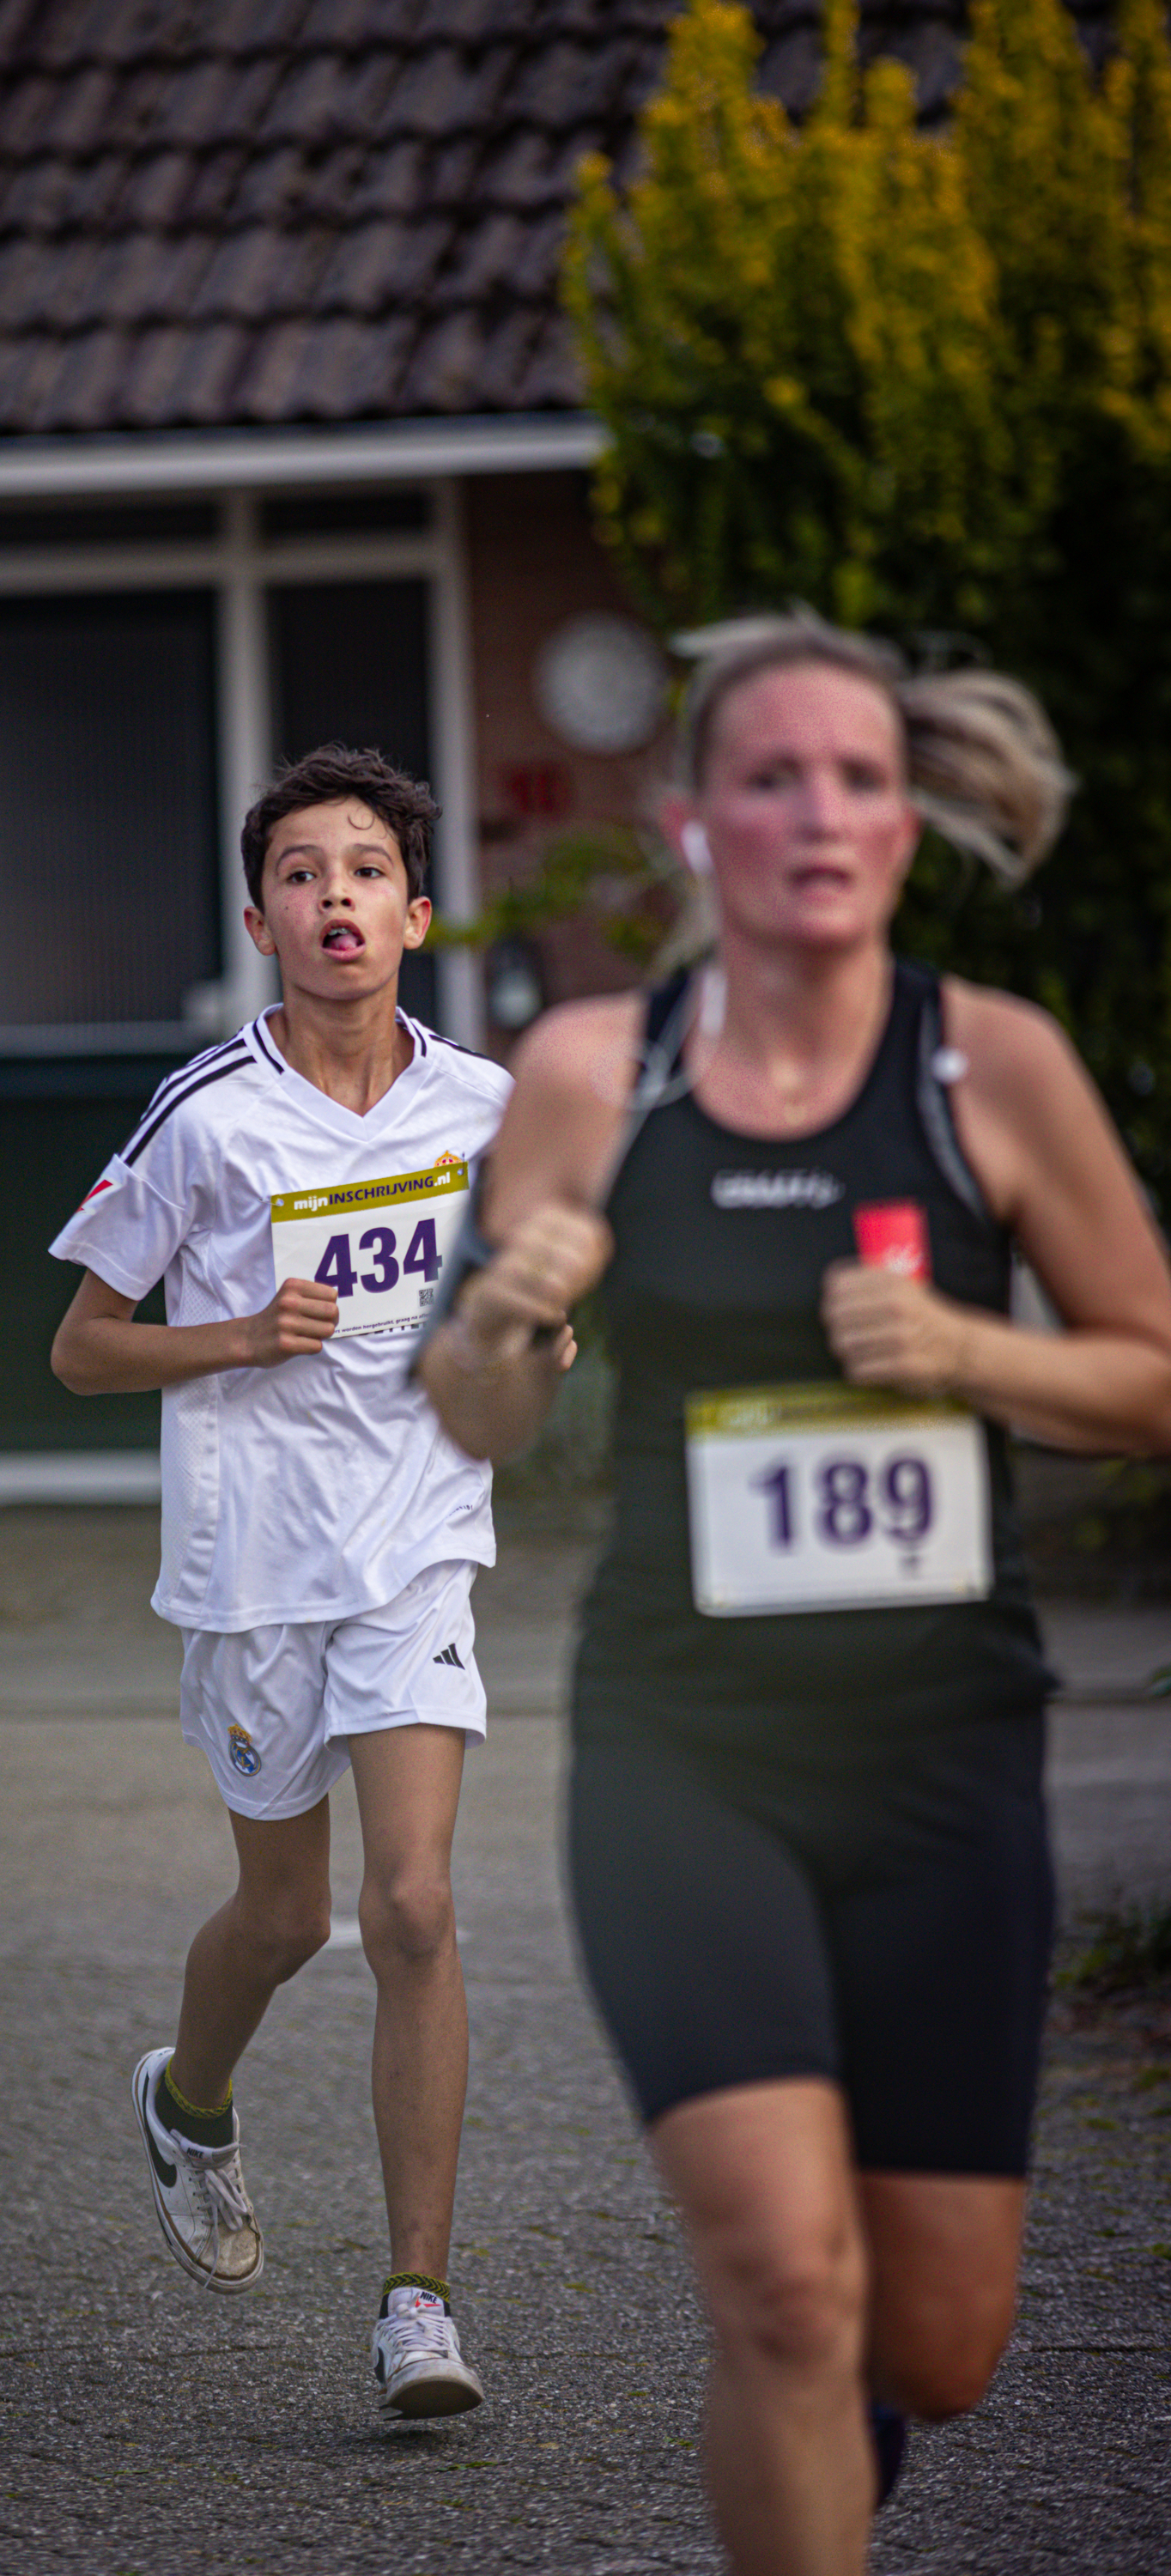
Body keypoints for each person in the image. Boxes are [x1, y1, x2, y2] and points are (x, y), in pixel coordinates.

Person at [418, 613, 1171, 2573]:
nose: (816, 810)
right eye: (770, 776)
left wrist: (968, 1354)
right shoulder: (596, 1073)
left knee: (937, 2335)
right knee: (777, 2285)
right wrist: (507, 1313)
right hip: (691, 1752)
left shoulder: (989, 1066)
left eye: (856, 775)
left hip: (943, 1761)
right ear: (692, 825)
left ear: (905, 825)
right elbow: (474, 1411)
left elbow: (1150, 1373)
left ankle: (842, 2442)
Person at [48, 743, 522, 2417]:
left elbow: (531, 1333)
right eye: (306, 874)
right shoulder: (207, 1114)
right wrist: (243, 1333)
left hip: (413, 1547)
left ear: (418, 908)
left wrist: (521, 1345)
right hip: (254, 1567)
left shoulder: (483, 1108)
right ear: (263, 917)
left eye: (368, 871)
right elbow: (81, 1351)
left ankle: (415, 2303)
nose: (339, 898)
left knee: (411, 1908)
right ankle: (190, 2100)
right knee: (288, 1917)